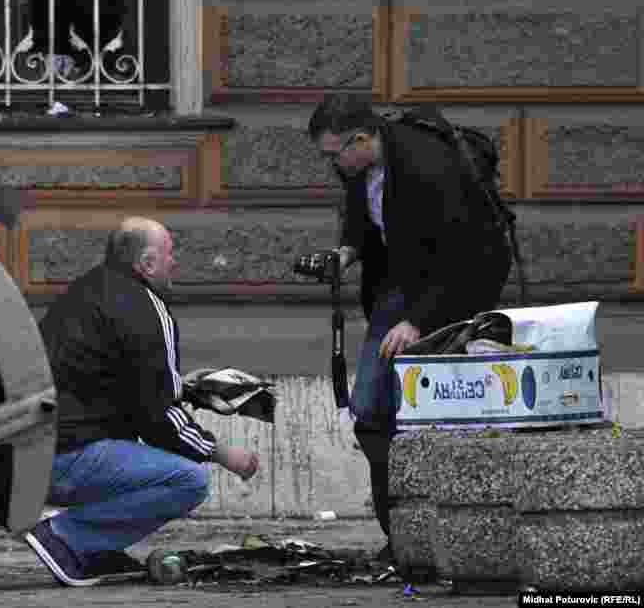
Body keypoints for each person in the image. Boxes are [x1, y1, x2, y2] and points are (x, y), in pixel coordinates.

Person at [307, 95, 511, 562]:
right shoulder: (359, 166)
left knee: (423, 419)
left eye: (333, 154)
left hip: (454, 294)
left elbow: (461, 254)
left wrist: (417, 322)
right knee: (372, 413)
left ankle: (434, 538)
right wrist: (345, 254)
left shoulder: (426, 168)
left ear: (362, 139)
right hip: (399, 291)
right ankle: (400, 536)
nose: (330, 164)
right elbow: (362, 216)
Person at [27, 217, 261, 587]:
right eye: (170, 254)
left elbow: (107, 383)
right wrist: (222, 453)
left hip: (27, 458)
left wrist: (181, 388)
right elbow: (157, 419)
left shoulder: (85, 291)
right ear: (147, 263)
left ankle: (93, 549)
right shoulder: (147, 309)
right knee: (189, 479)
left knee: (141, 453)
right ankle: (66, 539)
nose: (175, 263)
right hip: (66, 459)